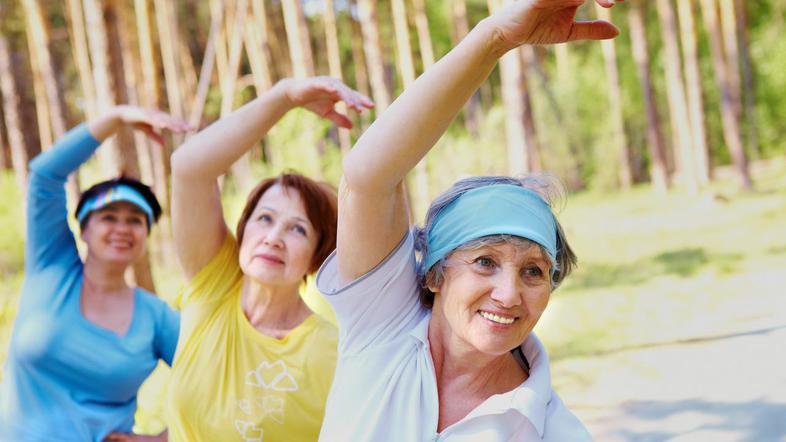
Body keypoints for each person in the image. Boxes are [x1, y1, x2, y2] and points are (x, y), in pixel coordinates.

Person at [315, 1, 623, 440]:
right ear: (436, 274)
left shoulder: (550, 430)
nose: (509, 293)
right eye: (485, 261)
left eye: (534, 271)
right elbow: (368, 176)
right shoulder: (382, 323)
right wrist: (495, 38)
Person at [165, 77, 373, 441]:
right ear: (243, 230)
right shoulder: (213, 286)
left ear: (315, 256)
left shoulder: (334, 354)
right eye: (264, 219)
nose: (274, 238)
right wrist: (285, 96)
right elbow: (188, 167)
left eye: (297, 230)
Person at [0, 106, 189, 442]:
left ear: (146, 236)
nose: (122, 228)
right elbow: (44, 175)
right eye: (108, 217)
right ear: (84, 230)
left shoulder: (155, 317)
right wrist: (115, 118)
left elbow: (218, 377)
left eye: (135, 220)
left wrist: (163, 438)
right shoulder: (51, 269)